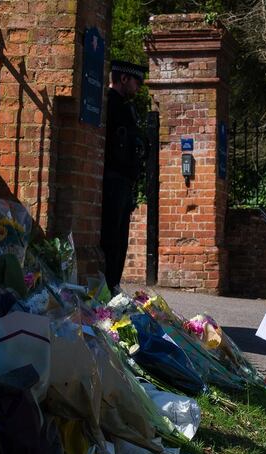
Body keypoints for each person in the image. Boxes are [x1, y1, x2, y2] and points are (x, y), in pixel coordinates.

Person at [100, 60, 148, 294]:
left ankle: (113, 284)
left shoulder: (126, 106)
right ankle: (109, 285)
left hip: (124, 180)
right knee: (112, 236)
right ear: (124, 79)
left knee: (120, 237)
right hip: (114, 178)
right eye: (136, 81)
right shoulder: (110, 103)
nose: (138, 87)